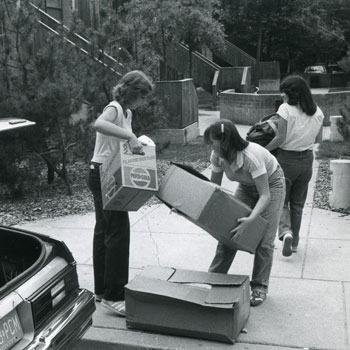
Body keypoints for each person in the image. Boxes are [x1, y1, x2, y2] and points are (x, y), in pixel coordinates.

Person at [87, 70, 154, 316]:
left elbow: (121, 142)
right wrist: (130, 135)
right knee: (118, 232)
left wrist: (137, 143)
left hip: (108, 173)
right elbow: (99, 124)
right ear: (132, 91)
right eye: (142, 96)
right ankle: (114, 295)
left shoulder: (127, 113)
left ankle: (102, 290)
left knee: (104, 230)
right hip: (102, 174)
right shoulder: (114, 108)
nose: (142, 101)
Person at [204, 119, 286, 306]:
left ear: (225, 141)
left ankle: (259, 286)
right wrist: (188, 207)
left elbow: (265, 195)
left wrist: (250, 219)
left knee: (265, 240)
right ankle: (215, 277)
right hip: (247, 186)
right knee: (229, 232)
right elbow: (214, 187)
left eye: (212, 141)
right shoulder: (217, 155)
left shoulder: (251, 156)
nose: (210, 145)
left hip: (272, 186)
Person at [265, 75, 324, 257]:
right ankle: (295, 242)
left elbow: (280, 138)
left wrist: (263, 150)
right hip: (306, 160)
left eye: (283, 91)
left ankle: (285, 232)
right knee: (298, 204)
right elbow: (319, 140)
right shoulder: (318, 112)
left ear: (290, 93)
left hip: (286, 159)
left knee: (282, 199)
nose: (281, 94)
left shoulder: (285, 109)